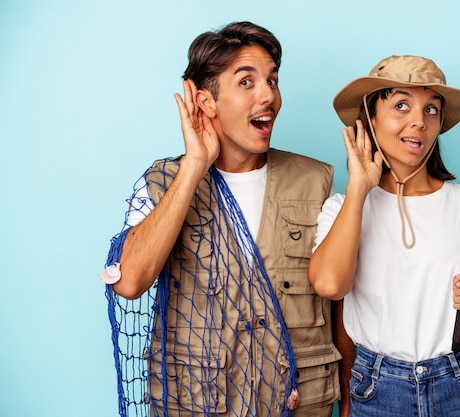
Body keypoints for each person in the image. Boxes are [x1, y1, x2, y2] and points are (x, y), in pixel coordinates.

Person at [101, 21, 349, 417]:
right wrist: (195, 165)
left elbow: (341, 309)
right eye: (247, 82)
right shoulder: (163, 182)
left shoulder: (316, 181)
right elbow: (129, 282)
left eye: (273, 80)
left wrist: (350, 403)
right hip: (200, 404)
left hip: (299, 404)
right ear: (206, 102)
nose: (268, 95)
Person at [308, 55, 460, 416]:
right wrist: (359, 189)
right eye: (401, 105)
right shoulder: (342, 208)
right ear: (369, 118)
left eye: (431, 110)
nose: (419, 120)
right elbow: (329, 285)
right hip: (378, 387)